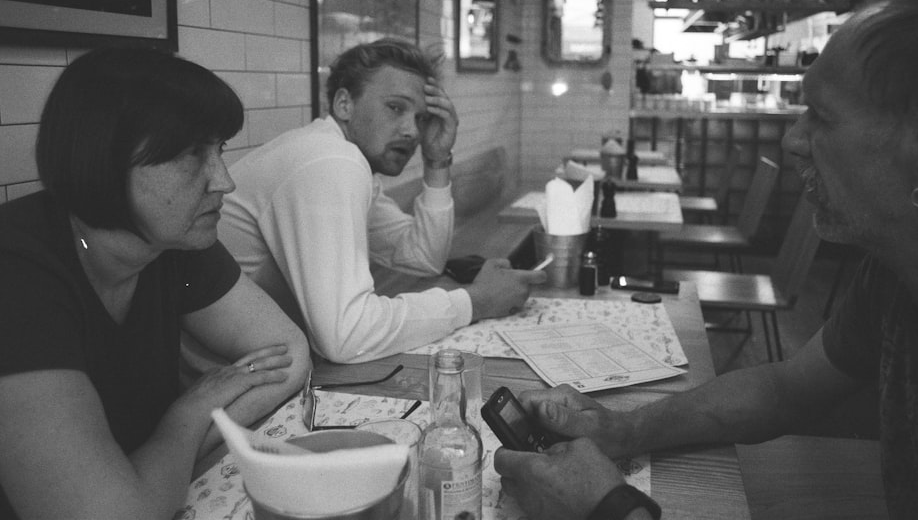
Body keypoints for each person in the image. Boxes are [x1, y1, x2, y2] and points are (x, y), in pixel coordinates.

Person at [494, 0, 918, 520]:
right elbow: (786, 390)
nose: (793, 140)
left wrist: (605, 508)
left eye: (821, 116)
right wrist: (618, 428)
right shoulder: (900, 272)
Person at [0, 48, 311, 520]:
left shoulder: (170, 241)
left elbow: (287, 354)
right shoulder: (18, 272)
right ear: (103, 159)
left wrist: (147, 471)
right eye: (192, 155)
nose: (223, 181)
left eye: (219, 150)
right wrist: (189, 414)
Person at [219, 38, 546, 363]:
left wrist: (437, 160)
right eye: (395, 108)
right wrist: (476, 301)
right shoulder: (330, 161)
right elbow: (346, 337)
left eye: (420, 118)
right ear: (344, 104)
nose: (412, 132)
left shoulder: (341, 158)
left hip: (259, 364)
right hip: (224, 384)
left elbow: (422, 257)